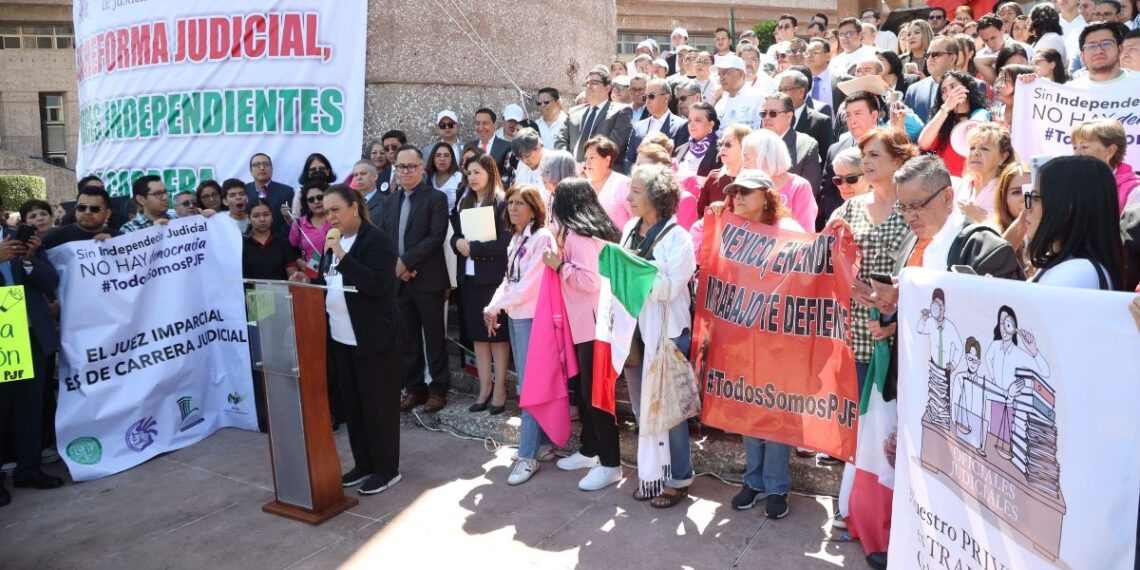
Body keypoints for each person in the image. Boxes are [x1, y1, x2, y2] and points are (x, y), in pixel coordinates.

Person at [708, 170, 802, 519]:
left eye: (746, 192)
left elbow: (805, 280)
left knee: (777, 412)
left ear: (766, 195)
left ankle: (776, 485)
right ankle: (754, 481)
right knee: (749, 411)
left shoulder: (789, 230)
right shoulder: (730, 229)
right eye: (735, 192)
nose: (738, 197)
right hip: (742, 337)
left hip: (780, 340)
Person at [308, 185, 405, 496]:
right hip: (341, 337)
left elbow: (376, 284)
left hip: (373, 340)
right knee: (354, 407)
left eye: (336, 209)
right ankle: (364, 463)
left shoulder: (377, 241)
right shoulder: (332, 241)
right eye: (326, 211)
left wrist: (341, 255)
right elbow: (330, 282)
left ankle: (387, 469)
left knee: (378, 407)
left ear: (355, 207)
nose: (329, 216)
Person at [620, 164, 696, 509]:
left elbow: (668, 289)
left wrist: (636, 270)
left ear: (656, 197)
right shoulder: (629, 229)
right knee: (642, 408)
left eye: (636, 191)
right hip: (635, 332)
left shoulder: (678, 238)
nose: (629, 196)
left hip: (668, 333)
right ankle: (650, 474)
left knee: (671, 411)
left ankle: (678, 478)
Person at [547, 178, 624, 491]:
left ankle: (610, 463)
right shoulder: (593, 230)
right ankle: (591, 449)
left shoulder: (579, 236)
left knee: (597, 398)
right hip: (593, 325)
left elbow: (589, 281)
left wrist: (558, 266)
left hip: (593, 327)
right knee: (586, 391)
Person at [830, 129, 916, 399]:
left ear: (898, 161)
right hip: (852, 335)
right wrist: (849, 282)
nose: (865, 162)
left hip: (899, 339)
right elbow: (824, 257)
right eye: (863, 155)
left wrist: (895, 319)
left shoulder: (916, 209)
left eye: (875, 155)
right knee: (856, 429)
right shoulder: (849, 209)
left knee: (892, 433)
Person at [483, 186, 556, 484]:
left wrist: (498, 304)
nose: (512, 208)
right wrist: (493, 306)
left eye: (520, 203)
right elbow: (509, 278)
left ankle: (528, 457)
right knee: (531, 384)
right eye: (510, 203)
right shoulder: (517, 238)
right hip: (517, 317)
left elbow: (529, 285)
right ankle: (542, 445)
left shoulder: (542, 238)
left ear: (534, 207)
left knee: (529, 389)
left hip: (533, 320)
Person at [0, 207, 62, 506]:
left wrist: (28, 260)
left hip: (29, 334)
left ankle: (29, 469)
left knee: (30, 406)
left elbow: (51, 281)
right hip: (1, 338)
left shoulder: (22, 239)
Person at [382, 146, 452, 413]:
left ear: (422, 168)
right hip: (400, 281)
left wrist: (407, 262)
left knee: (434, 337)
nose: (406, 171)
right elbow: (386, 238)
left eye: (412, 166)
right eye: (401, 167)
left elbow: (436, 237)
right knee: (407, 337)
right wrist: (398, 267)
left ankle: (438, 389)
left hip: (428, 279)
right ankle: (415, 389)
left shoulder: (435, 198)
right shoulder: (390, 201)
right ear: (395, 169)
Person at [451, 155, 512, 414]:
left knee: (496, 335)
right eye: (468, 173)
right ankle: (484, 387)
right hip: (469, 277)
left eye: (477, 172)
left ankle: (500, 388)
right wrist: (457, 243)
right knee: (478, 334)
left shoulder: (501, 202)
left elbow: (505, 243)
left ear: (490, 172)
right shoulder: (464, 201)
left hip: (492, 278)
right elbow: (456, 234)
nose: (472, 178)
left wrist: (473, 249)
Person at [1025, 155, 1124, 288]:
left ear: (1066, 210)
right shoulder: (1073, 266)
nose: (1027, 208)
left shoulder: (1078, 272)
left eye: (1036, 198)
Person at [556, 66, 634, 170]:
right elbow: (560, 141)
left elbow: (613, 147)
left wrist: (586, 167)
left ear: (608, 88)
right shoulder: (574, 111)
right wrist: (570, 164)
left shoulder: (621, 111)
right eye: (587, 84)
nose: (589, 86)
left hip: (602, 174)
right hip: (571, 172)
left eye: (594, 83)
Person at [918, 70, 992, 177]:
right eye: (943, 91)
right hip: (949, 184)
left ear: (967, 88)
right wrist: (946, 108)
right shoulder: (942, 122)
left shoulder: (984, 116)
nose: (948, 93)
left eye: (953, 87)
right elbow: (923, 143)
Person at [742, 128, 819, 232]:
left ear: (765, 158)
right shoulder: (744, 185)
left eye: (747, 158)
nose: (743, 164)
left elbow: (806, 234)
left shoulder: (799, 186)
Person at [760, 93, 823, 202]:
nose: (767, 118)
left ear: (789, 116)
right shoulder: (753, 142)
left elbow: (808, 195)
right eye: (763, 113)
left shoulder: (806, 145)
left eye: (773, 113)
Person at [1071, 118, 1140, 210]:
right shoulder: (1072, 185)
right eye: (1075, 147)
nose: (1076, 154)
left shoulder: (1135, 191)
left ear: (1111, 150)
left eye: (1084, 146)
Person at [955, 123, 1016, 223]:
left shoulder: (1007, 191)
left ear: (1003, 157)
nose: (975, 153)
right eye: (972, 148)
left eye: (984, 148)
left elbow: (1014, 232)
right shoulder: (962, 185)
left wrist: (981, 217)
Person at [625, 78, 689, 172]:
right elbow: (629, 160)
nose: (647, 101)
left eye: (651, 96)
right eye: (645, 97)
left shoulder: (681, 126)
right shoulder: (638, 126)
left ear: (666, 97)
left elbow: (678, 161)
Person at [42, 185, 121, 249]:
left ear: (107, 213)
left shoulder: (120, 239)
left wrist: (115, 246)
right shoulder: (55, 237)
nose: (87, 212)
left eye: (94, 209)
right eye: (81, 207)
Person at [697, 124, 751, 214]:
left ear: (745, 148)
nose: (722, 148)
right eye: (721, 144)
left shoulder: (754, 180)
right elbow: (701, 212)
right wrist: (713, 210)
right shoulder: (713, 177)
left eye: (728, 145)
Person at [780, 70, 833, 162]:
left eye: (786, 90)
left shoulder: (821, 122)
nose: (781, 94)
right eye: (780, 90)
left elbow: (826, 161)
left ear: (801, 92)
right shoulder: (771, 117)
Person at [904, 31, 957, 122]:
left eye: (936, 54)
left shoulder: (971, 85)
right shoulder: (913, 90)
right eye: (927, 55)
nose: (930, 58)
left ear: (952, 58)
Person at [583, 136, 633, 229]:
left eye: (592, 157)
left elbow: (635, 220)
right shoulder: (583, 186)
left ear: (607, 160)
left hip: (618, 242)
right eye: (586, 158)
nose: (587, 163)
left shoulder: (624, 184)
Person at [285, 181, 331, 278]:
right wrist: (298, 260)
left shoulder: (336, 219)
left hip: (336, 273)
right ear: (306, 203)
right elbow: (290, 250)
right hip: (311, 275)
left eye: (320, 197)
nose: (316, 201)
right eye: (311, 199)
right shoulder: (298, 224)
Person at [244, 153, 294, 239]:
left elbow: (290, 221)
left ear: (272, 169)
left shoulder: (286, 191)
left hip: (279, 243)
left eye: (266, 164)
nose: (262, 168)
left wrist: (278, 240)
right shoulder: (243, 191)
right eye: (257, 165)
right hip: (249, 243)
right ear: (250, 170)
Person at [1069, 22, 1136, 85]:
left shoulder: (1136, 85)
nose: (1098, 51)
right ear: (1082, 55)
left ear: (1120, 49)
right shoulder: (1070, 92)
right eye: (1091, 46)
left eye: (1106, 44)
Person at [712, 54, 762, 136]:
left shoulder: (758, 97)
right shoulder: (719, 105)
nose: (722, 78)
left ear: (741, 74)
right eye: (720, 74)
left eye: (726, 73)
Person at [992, 161, 1031, 258]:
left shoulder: (1055, 232)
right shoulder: (991, 233)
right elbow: (994, 264)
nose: (1025, 197)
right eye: (1017, 192)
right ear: (1003, 197)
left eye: (1031, 190)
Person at [675, 102, 722, 178]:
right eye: (689, 120)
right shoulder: (681, 149)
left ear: (711, 124)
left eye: (697, 120)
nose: (692, 124)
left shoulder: (721, 151)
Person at [426, 142, 463, 210]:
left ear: (452, 159)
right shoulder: (427, 178)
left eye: (446, 155)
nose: (442, 159)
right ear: (433, 159)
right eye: (438, 155)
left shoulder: (459, 178)